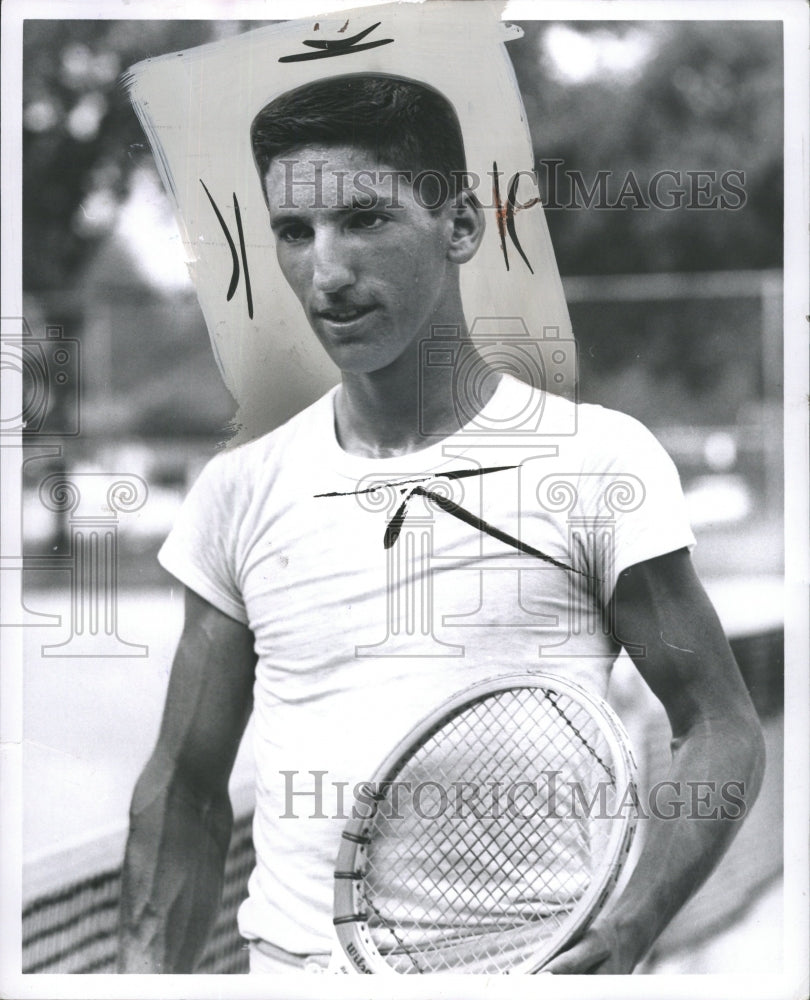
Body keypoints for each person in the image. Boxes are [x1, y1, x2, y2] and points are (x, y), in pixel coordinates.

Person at [117, 74, 765, 975]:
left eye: (366, 219)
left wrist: (631, 926)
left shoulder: (597, 463)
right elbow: (183, 791)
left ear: (461, 225)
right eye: (295, 233)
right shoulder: (239, 491)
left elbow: (720, 726)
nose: (328, 271)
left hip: (525, 971)